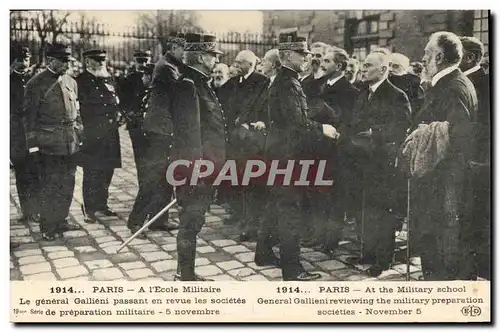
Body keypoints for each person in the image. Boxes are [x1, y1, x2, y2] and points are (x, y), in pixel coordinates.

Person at [258, 32, 339, 281]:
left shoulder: (285, 80)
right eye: (302, 54)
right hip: (287, 156)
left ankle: (262, 253)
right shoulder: (289, 83)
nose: (307, 57)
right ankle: (292, 270)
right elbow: (297, 124)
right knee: (290, 211)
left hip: (278, 153)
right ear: (287, 56)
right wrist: (323, 129)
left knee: (276, 204)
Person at [410, 31, 478, 280]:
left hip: (442, 176)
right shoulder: (448, 83)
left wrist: (422, 133)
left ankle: (437, 282)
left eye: (427, 53)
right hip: (442, 174)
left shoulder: (452, 86)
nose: (423, 58)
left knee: (439, 233)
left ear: (438, 57)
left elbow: (459, 132)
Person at [347, 49, 411, 277]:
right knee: (363, 209)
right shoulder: (363, 94)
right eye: (363, 66)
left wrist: (374, 132)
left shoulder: (396, 95)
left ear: (383, 70)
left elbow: (401, 126)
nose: (362, 70)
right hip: (360, 162)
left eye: (367, 66)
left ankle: (383, 259)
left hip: (382, 165)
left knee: (382, 212)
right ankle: (366, 252)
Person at [171, 32, 226, 281]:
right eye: (214, 56)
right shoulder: (189, 85)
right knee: (190, 221)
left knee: (194, 220)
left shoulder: (199, 83)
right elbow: (190, 136)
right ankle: (186, 274)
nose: (216, 61)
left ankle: (186, 272)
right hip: (196, 169)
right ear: (202, 57)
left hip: (205, 167)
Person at [302, 46, 360, 253]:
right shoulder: (318, 85)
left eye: (328, 61)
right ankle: (317, 234)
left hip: (335, 150)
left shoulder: (351, 91)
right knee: (317, 192)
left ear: (340, 66)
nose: (323, 64)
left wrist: (336, 133)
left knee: (334, 196)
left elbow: (349, 121)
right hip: (316, 146)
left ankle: (330, 240)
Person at [23, 43, 82, 240]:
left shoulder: (71, 82)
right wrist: (33, 146)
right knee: (50, 185)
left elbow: (77, 113)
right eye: (63, 61)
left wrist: (79, 133)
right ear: (51, 60)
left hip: (70, 142)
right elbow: (29, 118)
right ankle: (48, 226)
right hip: (48, 143)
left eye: (68, 61)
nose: (67, 65)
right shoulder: (35, 84)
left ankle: (62, 219)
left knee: (68, 183)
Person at [128, 33, 184, 237]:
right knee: (153, 176)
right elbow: (181, 92)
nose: (186, 56)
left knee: (166, 176)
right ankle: (135, 221)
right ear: (176, 48)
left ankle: (159, 220)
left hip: (165, 129)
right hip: (159, 131)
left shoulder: (171, 64)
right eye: (184, 51)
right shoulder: (167, 67)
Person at [218, 50, 268, 241]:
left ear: (250, 64)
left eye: (240, 62)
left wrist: (246, 122)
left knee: (250, 181)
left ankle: (251, 223)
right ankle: (239, 213)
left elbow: (257, 107)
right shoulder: (234, 82)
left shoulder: (260, 81)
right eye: (236, 62)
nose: (236, 65)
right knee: (236, 178)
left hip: (251, 139)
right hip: (235, 137)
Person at [77, 49, 122, 223]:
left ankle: (102, 204)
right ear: (87, 61)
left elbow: (115, 99)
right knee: (92, 171)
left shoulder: (108, 78)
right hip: (92, 133)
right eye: (97, 60)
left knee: (107, 170)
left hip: (110, 132)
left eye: (103, 60)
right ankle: (88, 208)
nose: (101, 63)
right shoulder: (81, 81)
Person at [459, 36, 490, 280]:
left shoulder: (487, 84)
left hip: (479, 164)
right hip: (461, 162)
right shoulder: (457, 82)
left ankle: (478, 272)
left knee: (476, 218)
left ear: (469, 58)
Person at [10, 46, 39, 223]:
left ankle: (36, 210)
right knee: (21, 172)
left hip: (33, 132)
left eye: (25, 59)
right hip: (16, 134)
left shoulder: (33, 80)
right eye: (18, 60)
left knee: (35, 171)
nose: (22, 63)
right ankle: (26, 211)